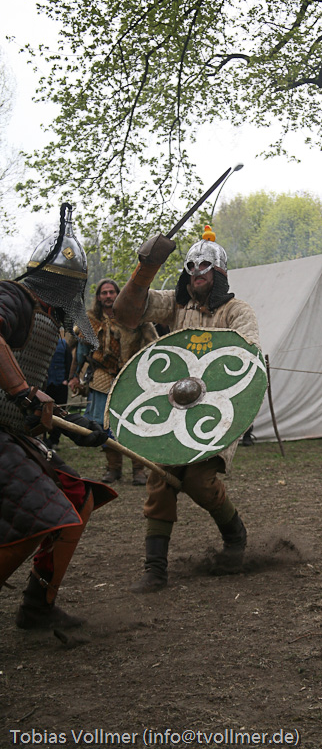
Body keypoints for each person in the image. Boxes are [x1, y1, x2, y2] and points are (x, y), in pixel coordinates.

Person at [113, 224, 260, 593]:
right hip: (174, 410)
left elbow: (246, 361)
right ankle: (155, 569)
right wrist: (145, 269)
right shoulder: (176, 306)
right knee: (159, 478)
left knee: (197, 481)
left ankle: (235, 535)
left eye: (205, 268)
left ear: (219, 273)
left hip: (216, 412)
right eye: (191, 268)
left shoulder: (237, 312)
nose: (197, 274)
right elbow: (126, 312)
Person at [0, 207, 117, 630]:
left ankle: (37, 608)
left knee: (77, 498)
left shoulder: (48, 317)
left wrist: (71, 425)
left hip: (14, 433)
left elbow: (31, 405)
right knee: (37, 518)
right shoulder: (13, 296)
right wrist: (23, 391)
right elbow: (20, 390)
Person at [68, 278, 158, 485]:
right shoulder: (90, 321)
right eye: (104, 293)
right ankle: (113, 468)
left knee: (135, 423)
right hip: (101, 378)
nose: (108, 296)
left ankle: (138, 470)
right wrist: (74, 376)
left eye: (112, 292)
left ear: (118, 295)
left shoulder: (134, 317)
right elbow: (80, 352)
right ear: (99, 297)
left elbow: (152, 344)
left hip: (131, 378)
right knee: (105, 425)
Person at [44, 328, 73, 449]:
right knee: (44, 412)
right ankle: (44, 439)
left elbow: (69, 362)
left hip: (61, 384)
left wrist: (66, 379)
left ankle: (54, 440)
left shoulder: (63, 344)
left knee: (60, 412)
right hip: (46, 384)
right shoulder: (43, 343)